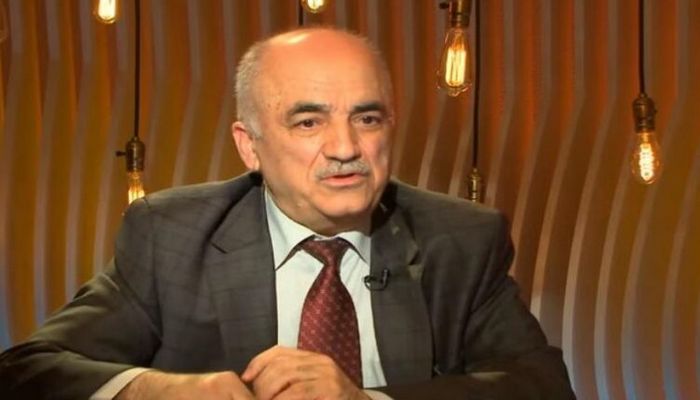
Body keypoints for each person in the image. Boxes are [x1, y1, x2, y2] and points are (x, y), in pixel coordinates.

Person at [0, 28, 575, 399]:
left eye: (367, 118)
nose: (345, 147)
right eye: (308, 122)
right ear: (249, 146)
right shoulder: (172, 234)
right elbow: (28, 369)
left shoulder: (461, 239)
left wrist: (365, 399)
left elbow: (541, 386)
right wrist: (163, 390)